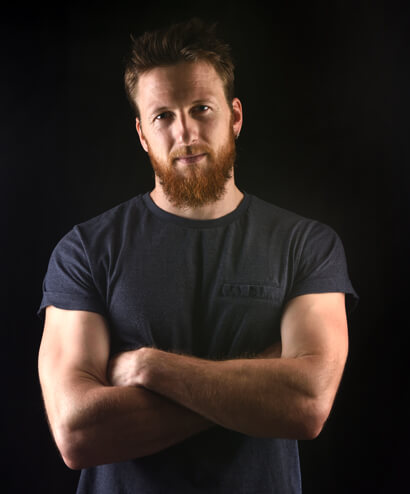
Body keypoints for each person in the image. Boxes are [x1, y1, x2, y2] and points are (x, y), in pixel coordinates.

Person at [38, 18, 358, 494]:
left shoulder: (306, 244)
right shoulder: (85, 250)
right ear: (142, 134)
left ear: (235, 116)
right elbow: (77, 433)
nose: (185, 133)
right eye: (163, 116)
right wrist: (262, 383)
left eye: (201, 109)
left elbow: (307, 405)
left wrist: (149, 367)